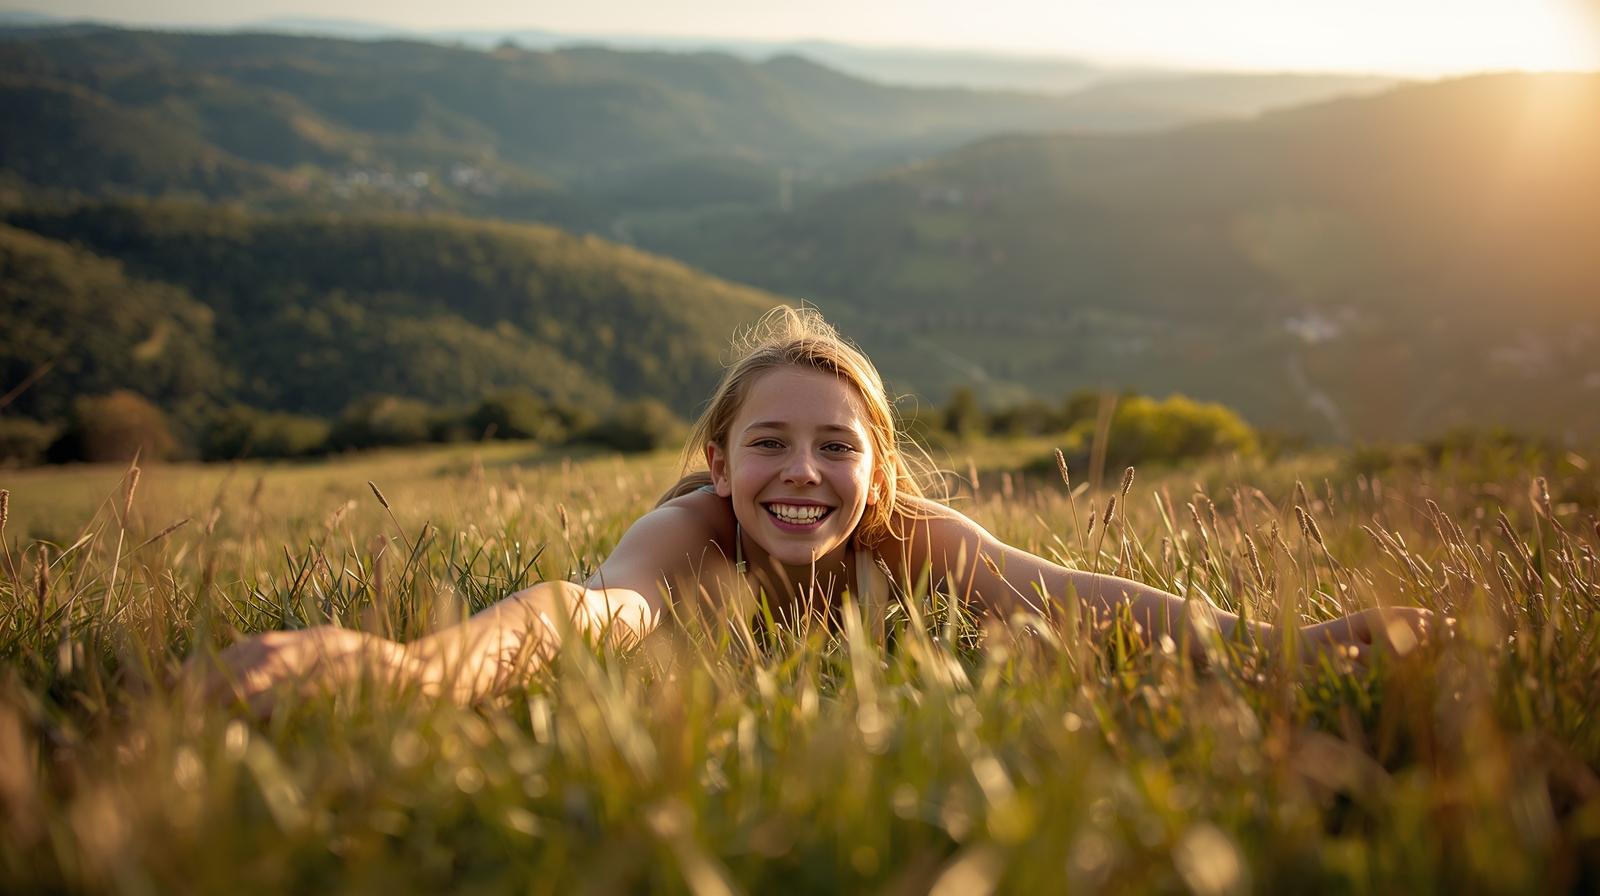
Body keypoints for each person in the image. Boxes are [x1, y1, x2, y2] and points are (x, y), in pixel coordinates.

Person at [199, 307, 1431, 713]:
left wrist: (1283, 641)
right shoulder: (691, 536)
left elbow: (1076, 596)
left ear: (876, 471)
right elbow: (584, 611)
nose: (801, 471)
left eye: (835, 446)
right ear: (718, 461)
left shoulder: (915, 539)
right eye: (768, 443)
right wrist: (413, 670)